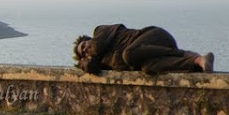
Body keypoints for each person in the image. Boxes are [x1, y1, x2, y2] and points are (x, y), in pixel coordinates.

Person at [73, 24, 214, 75]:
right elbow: (92, 68)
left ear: (89, 38)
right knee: (147, 68)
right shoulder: (103, 62)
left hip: (156, 37)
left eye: (84, 45)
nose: (86, 49)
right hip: (156, 54)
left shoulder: (101, 31)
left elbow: (98, 46)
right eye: (83, 53)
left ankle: (184, 53)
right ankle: (197, 61)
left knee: (128, 54)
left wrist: (89, 57)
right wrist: (84, 63)